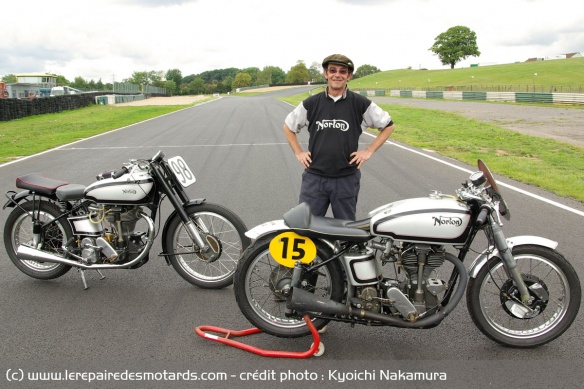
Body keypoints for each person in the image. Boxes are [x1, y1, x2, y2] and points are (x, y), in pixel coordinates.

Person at [283, 54, 395, 220]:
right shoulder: (311, 103)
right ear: (325, 73)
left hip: (346, 180)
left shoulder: (360, 103)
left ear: (349, 76)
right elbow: (288, 126)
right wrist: (299, 152)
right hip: (314, 179)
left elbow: (388, 126)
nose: (337, 74)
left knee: (345, 233)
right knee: (305, 228)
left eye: (343, 71)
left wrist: (368, 151)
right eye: (332, 70)